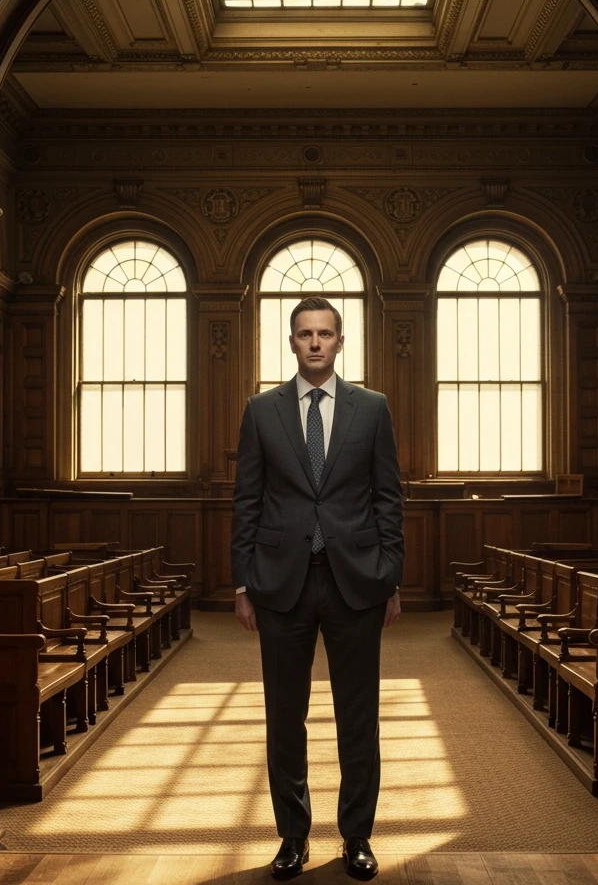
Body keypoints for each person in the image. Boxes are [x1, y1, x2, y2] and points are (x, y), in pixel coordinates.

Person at [231, 295, 404, 881]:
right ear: (291, 342)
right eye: (304, 333)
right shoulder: (261, 410)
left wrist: (391, 576)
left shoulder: (372, 408)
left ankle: (357, 836)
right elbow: (246, 502)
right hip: (282, 587)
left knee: (359, 717)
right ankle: (292, 838)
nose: (314, 343)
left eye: (324, 333)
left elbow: (388, 499)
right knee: (286, 717)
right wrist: (242, 583)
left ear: (339, 341)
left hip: (356, 583)